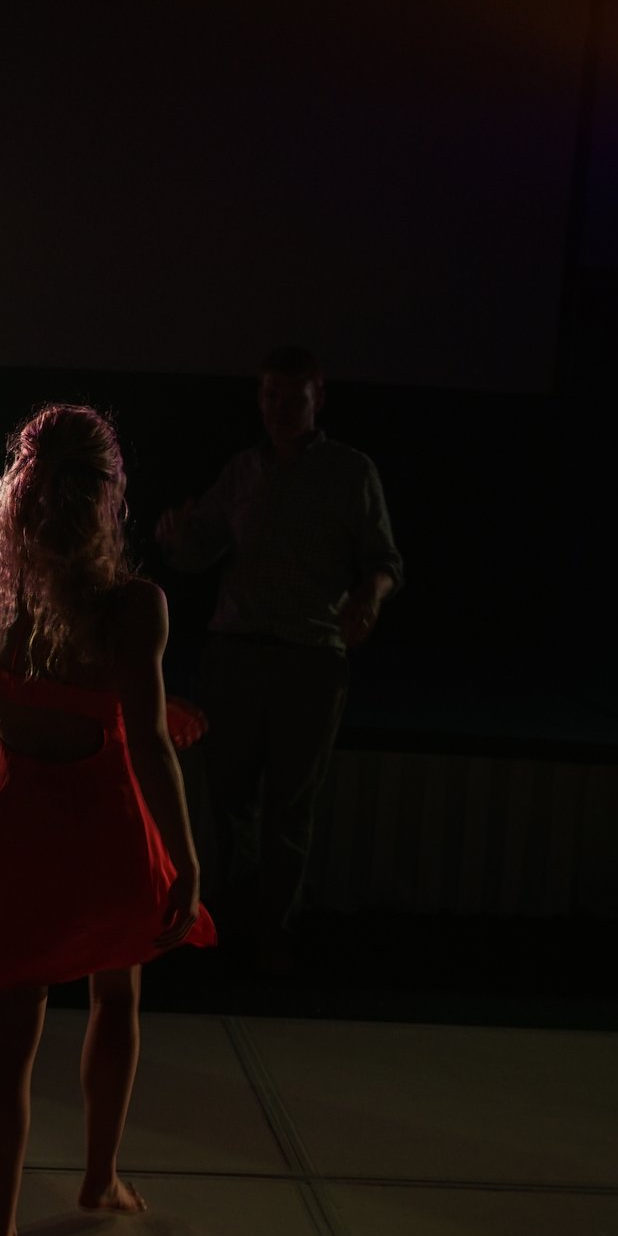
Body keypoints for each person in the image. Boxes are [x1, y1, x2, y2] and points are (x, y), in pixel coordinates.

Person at [0, 403, 216, 1236]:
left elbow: (37, 718)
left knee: (9, 1034)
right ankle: (99, 1177)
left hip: (18, 836)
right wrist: (186, 861)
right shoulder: (134, 608)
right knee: (116, 997)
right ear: (110, 496)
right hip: (108, 833)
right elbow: (144, 743)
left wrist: (145, 715)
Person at [156, 345, 404, 975]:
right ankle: (225, 928)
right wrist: (177, 538)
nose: (280, 410)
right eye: (270, 397)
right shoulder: (243, 470)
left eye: (293, 399)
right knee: (228, 799)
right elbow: (196, 553)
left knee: (290, 805)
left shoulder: (350, 472)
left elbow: (385, 561)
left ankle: (272, 937)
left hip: (309, 660)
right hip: (236, 654)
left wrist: (369, 597)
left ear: (318, 398)